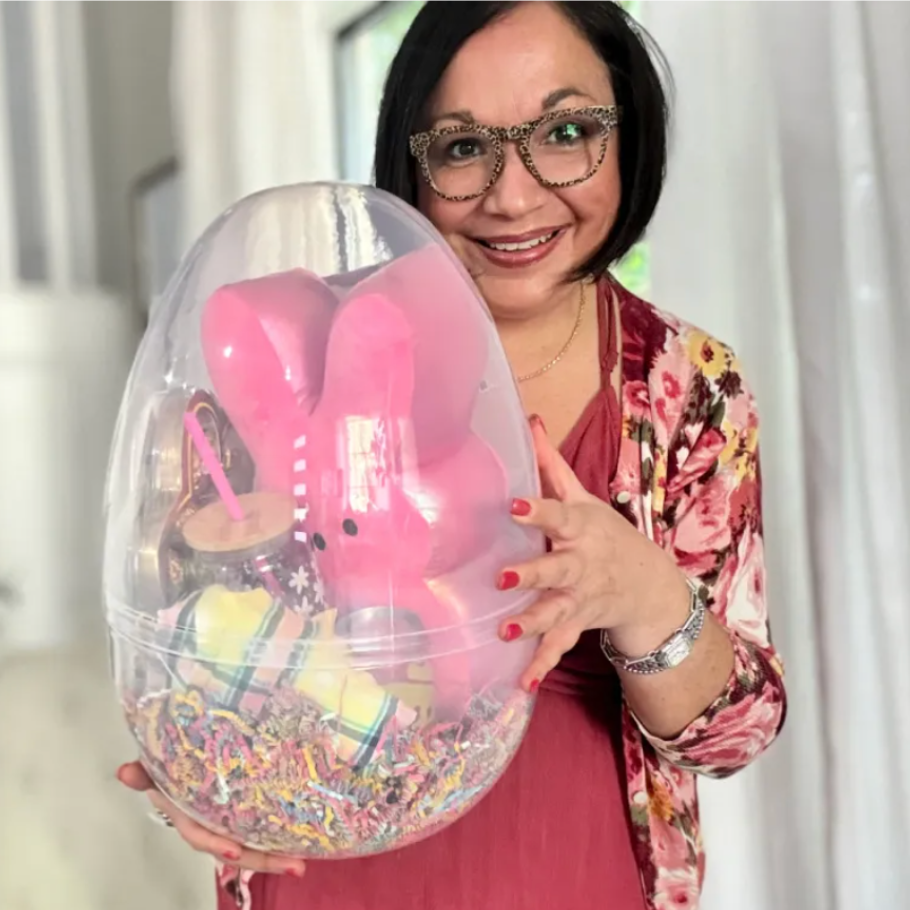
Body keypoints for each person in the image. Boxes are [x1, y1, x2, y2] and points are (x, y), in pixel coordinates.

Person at [118, 1, 787, 907]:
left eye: (566, 132)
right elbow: (195, 641)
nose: (513, 195)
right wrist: (190, 767)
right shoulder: (301, 346)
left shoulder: (685, 385)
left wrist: (642, 593)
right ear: (412, 164)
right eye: (463, 147)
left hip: (573, 872)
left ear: (631, 136)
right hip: (332, 873)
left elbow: (732, 737)